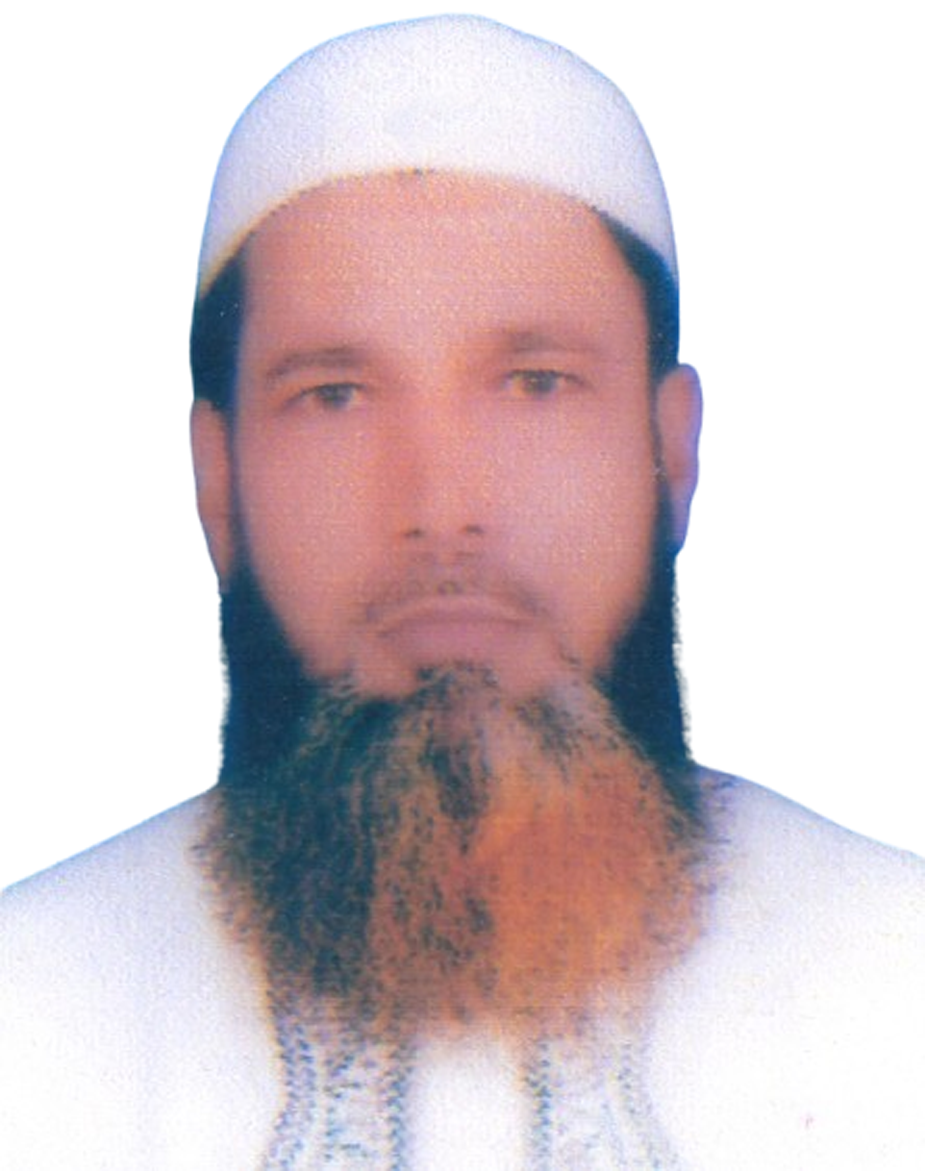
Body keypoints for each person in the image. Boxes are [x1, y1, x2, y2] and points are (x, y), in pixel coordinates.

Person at [1, 15, 923, 1169]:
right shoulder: (26, 1026)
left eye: (535, 384)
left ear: (670, 452)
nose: (442, 505)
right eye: (335, 396)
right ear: (218, 479)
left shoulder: (900, 994)